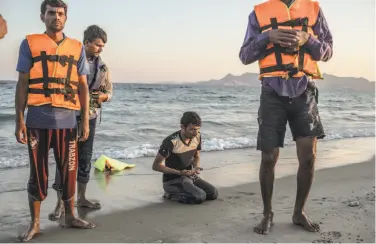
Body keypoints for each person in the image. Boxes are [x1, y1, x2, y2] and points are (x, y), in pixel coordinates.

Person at [239, 0, 333, 235]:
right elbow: (244, 55)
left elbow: (328, 51)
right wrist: (267, 36)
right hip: (272, 92)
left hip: (304, 93)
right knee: (269, 158)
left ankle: (299, 212)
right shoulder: (258, 14)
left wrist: (306, 39)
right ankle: (267, 213)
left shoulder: (313, 9)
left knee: (308, 158)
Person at [14, 0, 95, 242]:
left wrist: (86, 122)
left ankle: (70, 215)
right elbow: (22, 83)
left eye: (60, 13)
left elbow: (82, 86)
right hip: (37, 121)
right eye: (51, 13)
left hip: (68, 122)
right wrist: (19, 119)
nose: (56, 17)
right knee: (37, 175)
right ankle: (35, 224)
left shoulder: (77, 47)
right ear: (42, 16)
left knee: (69, 172)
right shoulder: (29, 43)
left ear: (65, 18)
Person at [49, 25, 113, 217]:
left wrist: (102, 97)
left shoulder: (103, 67)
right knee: (64, 160)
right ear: (86, 43)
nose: (100, 49)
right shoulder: (68, 61)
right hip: (67, 118)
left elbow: (110, 92)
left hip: (90, 117)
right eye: (97, 45)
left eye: (103, 46)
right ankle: (59, 204)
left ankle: (82, 198)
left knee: (85, 158)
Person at [152, 112, 218, 204]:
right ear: (182, 127)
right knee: (200, 196)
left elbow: (196, 156)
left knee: (213, 193)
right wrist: (179, 172)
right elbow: (156, 166)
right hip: (173, 180)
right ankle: (169, 194)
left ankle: (190, 188)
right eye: (192, 129)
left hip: (190, 176)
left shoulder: (197, 136)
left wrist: (196, 167)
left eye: (197, 129)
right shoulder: (171, 141)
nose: (195, 133)